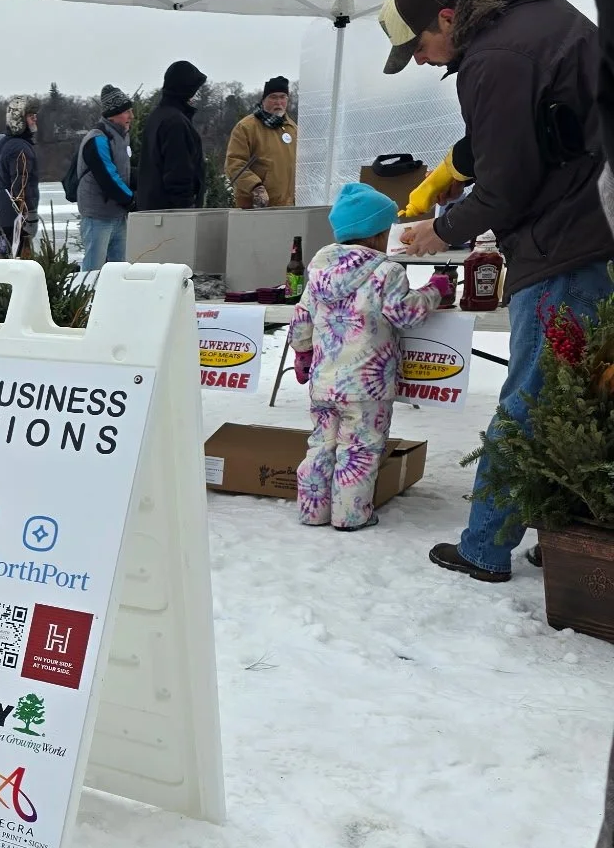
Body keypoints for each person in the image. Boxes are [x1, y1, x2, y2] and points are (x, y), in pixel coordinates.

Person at [380, 0, 614, 582]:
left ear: (450, 17)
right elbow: (537, 130)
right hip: (597, 231)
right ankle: (568, 528)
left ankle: (486, 545)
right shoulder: (536, 18)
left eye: (421, 47)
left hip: (565, 242)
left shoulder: (494, 59)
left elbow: (508, 186)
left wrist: (440, 230)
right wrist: (459, 169)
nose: (423, 61)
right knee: (586, 398)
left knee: (533, 398)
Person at [289, 181, 451, 531]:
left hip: (324, 382)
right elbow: (405, 313)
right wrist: (434, 291)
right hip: (367, 385)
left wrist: (303, 353)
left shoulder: (318, 270)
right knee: (358, 451)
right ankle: (349, 516)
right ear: (378, 234)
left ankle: (312, 510)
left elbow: (302, 316)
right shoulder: (386, 271)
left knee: (321, 445)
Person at [74, 86, 134, 269]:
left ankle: (115, 298)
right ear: (112, 114)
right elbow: (108, 176)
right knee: (93, 270)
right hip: (98, 216)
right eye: (126, 112)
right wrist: (131, 200)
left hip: (118, 214)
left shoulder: (122, 137)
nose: (131, 116)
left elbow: (125, 171)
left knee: (118, 271)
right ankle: (87, 298)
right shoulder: (98, 139)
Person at [134, 62, 207, 209]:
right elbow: (178, 170)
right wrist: (185, 207)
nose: (194, 96)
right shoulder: (175, 122)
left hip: (152, 208)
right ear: (185, 89)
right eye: (194, 90)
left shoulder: (157, 116)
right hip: (170, 213)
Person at [224, 78, 298, 208]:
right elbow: (234, 163)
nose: (278, 102)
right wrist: (255, 186)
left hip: (288, 206)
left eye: (283, 97)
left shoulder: (293, 128)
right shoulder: (246, 127)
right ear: (263, 100)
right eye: (273, 97)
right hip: (257, 207)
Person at [0, 98, 41, 259]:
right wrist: (29, 215)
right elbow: (21, 185)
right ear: (20, 120)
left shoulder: (3, 144)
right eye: (31, 116)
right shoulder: (20, 148)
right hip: (15, 218)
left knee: (4, 258)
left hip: (2, 213)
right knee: (19, 262)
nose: (35, 119)